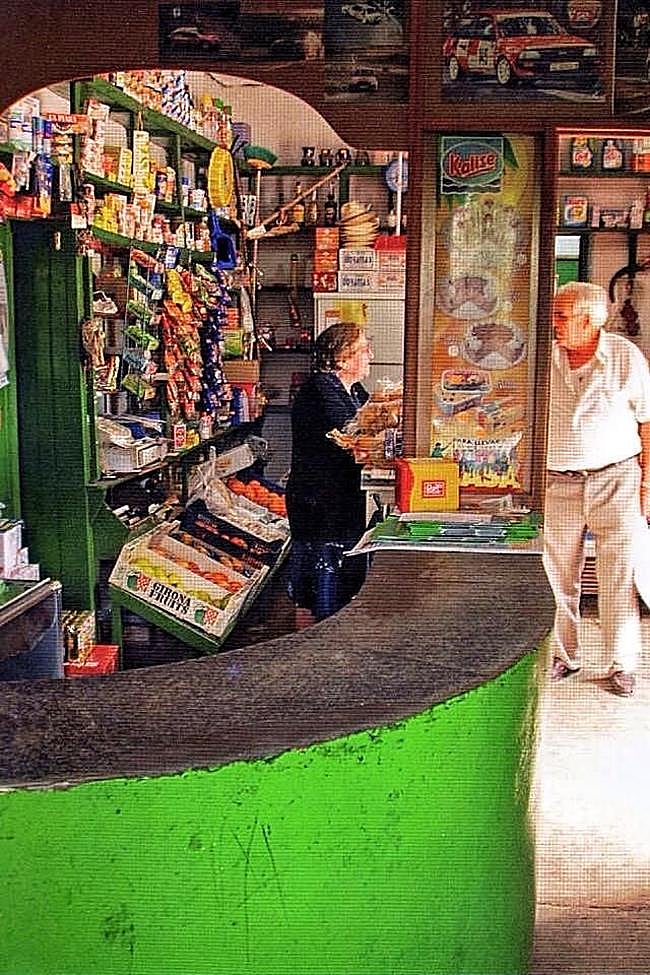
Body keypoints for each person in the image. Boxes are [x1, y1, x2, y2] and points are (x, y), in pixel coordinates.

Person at [543, 280, 650, 697]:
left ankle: (622, 663)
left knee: (619, 573)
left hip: (617, 477)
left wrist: (648, 482)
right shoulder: (543, 354)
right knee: (556, 574)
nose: (553, 323)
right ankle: (562, 654)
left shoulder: (625, 357)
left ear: (589, 321)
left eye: (561, 316)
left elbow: (648, 422)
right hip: (556, 481)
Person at [286, 322, 374, 627]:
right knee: (313, 584)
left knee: (335, 580)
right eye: (364, 350)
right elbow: (355, 433)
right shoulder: (321, 390)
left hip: (339, 499)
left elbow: (371, 423)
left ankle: (324, 638)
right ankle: (306, 647)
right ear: (342, 358)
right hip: (318, 501)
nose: (370, 356)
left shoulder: (353, 390)